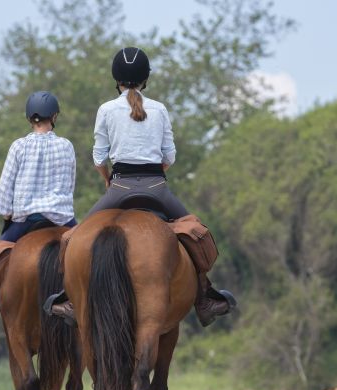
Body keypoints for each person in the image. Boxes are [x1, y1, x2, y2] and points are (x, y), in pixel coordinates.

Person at [52, 47, 235, 326]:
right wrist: (156, 174)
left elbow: (99, 157)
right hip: (157, 189)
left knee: (73, 239)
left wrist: (106, 179)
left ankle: (69, 297)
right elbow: (169, 156)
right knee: (198, 233)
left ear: (117, 78)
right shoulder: (159, 109)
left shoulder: (106, 109)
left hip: (119, 188)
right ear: (145, 78)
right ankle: (205, 296)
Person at [0, 91, 77, 348]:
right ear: (54, 116)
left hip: (25, 221)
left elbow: (3, 195)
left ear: (29, 118)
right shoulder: (66, 146)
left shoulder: (19, 146)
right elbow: (69, 185)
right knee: (91, 258)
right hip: (63, 219)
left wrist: (7, 213)